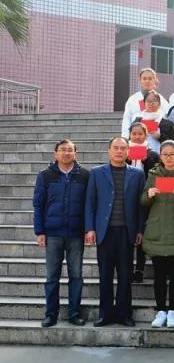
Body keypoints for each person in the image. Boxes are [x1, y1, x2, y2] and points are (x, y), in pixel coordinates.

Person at [84, 137, 146, 327]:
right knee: (105, 275)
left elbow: (141, 205)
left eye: (123, 148)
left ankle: (124, 314)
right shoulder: (97, 173)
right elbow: (90, 202)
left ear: (128, 151)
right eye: (116, 148)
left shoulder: (137, 174)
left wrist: (140, 229)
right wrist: (90, 228)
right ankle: (105, 314)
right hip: (105, 231)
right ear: (109, 150)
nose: (119, 151)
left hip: (127, 232)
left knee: (125, 275)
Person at [33, 140, 90, 327]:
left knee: (76, 276)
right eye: (63, 150)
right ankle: (51, 314)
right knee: (52, 277)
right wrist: (39, 231)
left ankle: (74, 313)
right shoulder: (45, 175)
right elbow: (38, 204)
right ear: (55, 153)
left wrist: (88, 229)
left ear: (75, 153)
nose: (66, 153)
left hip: (76, 233)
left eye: (70, 150)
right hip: (53, 233)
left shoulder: (85, 175)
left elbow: (89, 205)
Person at [141, 140, 174, 329]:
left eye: (172, 154)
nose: (169, 158)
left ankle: (173, 311)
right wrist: (149, 194)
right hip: (157, 230)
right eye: (165, 154)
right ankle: (161, 310)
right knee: (159, 275)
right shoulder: (153, 175)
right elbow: (143, 201)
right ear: (160, 156)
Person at [125, 123, 160, 284]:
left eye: (140, 134)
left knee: (142, 231)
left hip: (146, 196)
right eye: (134, 133)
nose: (137, 137)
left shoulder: (152, 154)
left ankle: (139, 268)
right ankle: (126, 267)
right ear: (130, 135)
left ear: (145, 135)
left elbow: (156, 174)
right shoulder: (124, 151)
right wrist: (128, 159)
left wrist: (147, 161)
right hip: (127, 197)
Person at [121, 68, 169, 137]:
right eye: (144, 78)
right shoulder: (133, 99)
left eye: (150, 78)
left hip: (155, 138)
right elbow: (127, 119)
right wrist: (125, 136)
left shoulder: (161, 100)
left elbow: (166, 118)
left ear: (154, 80)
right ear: (140, 80)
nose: (147, 81)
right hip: (136, 137)